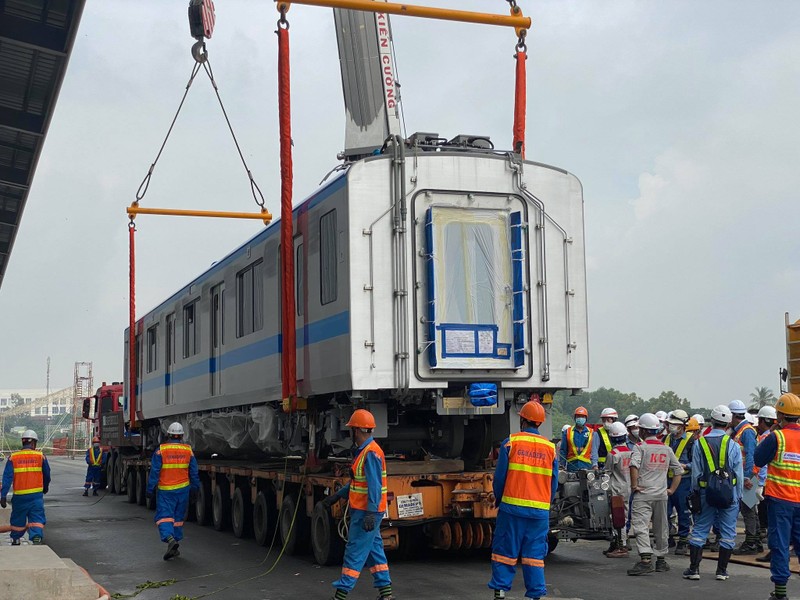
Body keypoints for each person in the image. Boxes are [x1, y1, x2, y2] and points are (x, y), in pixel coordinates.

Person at [487, 400, 557, 600]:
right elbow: (553, 484)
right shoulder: (551, 449)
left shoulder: (511, 442)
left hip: (512, 509)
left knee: (504, 551)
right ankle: (535, 596)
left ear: (523, 420)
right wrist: (545, 505)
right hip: (539, 513)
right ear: (540, 423)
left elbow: (500, 478)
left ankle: (500, 592)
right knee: (534, 556)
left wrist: (499, 499)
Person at [323, 409, 395, 600]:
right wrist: (338, 496)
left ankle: (340, 594)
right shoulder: (366, 451)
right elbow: (358, 482)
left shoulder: (370, 453)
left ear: (356, 430)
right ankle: (386, 594)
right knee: (374, 550)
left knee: (354, 550)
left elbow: (374, 486)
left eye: (351, 430)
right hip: (367, 510)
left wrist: (371, 513)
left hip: (365, 511)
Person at [683, 404, 743, 581]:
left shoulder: (700, 443)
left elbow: (696, 472)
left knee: (700, 529)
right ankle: (722, 571)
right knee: (728, 532)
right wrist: (737, 496)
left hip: (705, 493)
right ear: (727, 424)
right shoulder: (733, 445)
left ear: (712, 421)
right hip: (728, 494)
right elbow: (738, 473)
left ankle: (694, 570)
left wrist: (695, 492)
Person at [754, 393, 800, 600]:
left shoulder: (776, 437)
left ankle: (781, 593)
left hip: (780, 500)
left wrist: (772, 432)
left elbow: (758, 458)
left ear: (780, 415)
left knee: (780, 545)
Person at [627, 413, 683, 576]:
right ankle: (661, 560)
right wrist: (671, 489)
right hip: (661, 494)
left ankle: (645, 560)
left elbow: (633, 466)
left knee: (641, 526)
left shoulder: (640, 447)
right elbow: (678, 470)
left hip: (643, 493)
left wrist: (634, 485)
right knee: (661, 527)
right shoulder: (666, 449)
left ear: (643, 431)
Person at [146, 422, 200, 560]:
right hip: (183, 490)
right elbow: (194, 472)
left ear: (168, 434)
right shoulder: (188, 450)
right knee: (177, 519)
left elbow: (155, 472)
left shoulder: (161, 450)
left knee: (164, 517)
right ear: (181, 435)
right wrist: (195, 489)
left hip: (166, 490)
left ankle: (170, 540)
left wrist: (150, 489)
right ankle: (174, 545)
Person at [0, 430, 51, 545]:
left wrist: (3, 496)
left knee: (18, 518)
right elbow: (47, 475)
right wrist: (45, 487)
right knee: (37, 517)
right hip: (36, 496)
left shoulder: (13, 458)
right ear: (33, 443)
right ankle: (36, 537)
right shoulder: (40, 456)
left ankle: (16, 539)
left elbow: (7, 478)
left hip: (19, 497)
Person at [729, 399, 762, 555]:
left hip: (747, 477)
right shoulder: (742, 430)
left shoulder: (746, 431)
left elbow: (750, 455)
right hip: (746, 476)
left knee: (748, 509)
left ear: (734, 415)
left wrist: (747, 476)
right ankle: (755, 541)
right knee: (751, 509)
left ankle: (751, 543)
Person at [664, 410, 694, 555]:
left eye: (675, 424)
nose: (672, 427)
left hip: (684, 481)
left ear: (683, 425)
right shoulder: (667, 439)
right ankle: (668, 537)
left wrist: (685, 466)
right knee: (665, 510)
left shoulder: (692, 441)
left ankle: (683, 540)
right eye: (671, 424)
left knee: (683, 511)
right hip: (667, 480)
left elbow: (698, 464)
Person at [603, 421, 632, 558]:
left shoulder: (613, 454)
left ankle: (621, 545)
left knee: (616, 517)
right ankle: (618, 543)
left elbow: (607, 472)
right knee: (624, 516)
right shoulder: (630, 452)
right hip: (628, 487)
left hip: (616, 488)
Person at [755, 405, 778, 563]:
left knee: (774, 523)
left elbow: (760, 462)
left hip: (773, 487)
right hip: (788, 489)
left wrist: (759, 481)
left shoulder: (770, 438)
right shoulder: (780, 436)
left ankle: (774, 551)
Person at [559, 407, 596, 472]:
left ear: (586, 418)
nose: (580, 418)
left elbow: (594, 451)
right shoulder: (568, 432)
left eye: (582, 417)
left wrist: (595, 465)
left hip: (587, 466)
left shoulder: (591, 432)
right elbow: (563, 451)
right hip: (572, 466)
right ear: (575, 418)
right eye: (578, 416)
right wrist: (562, 465)